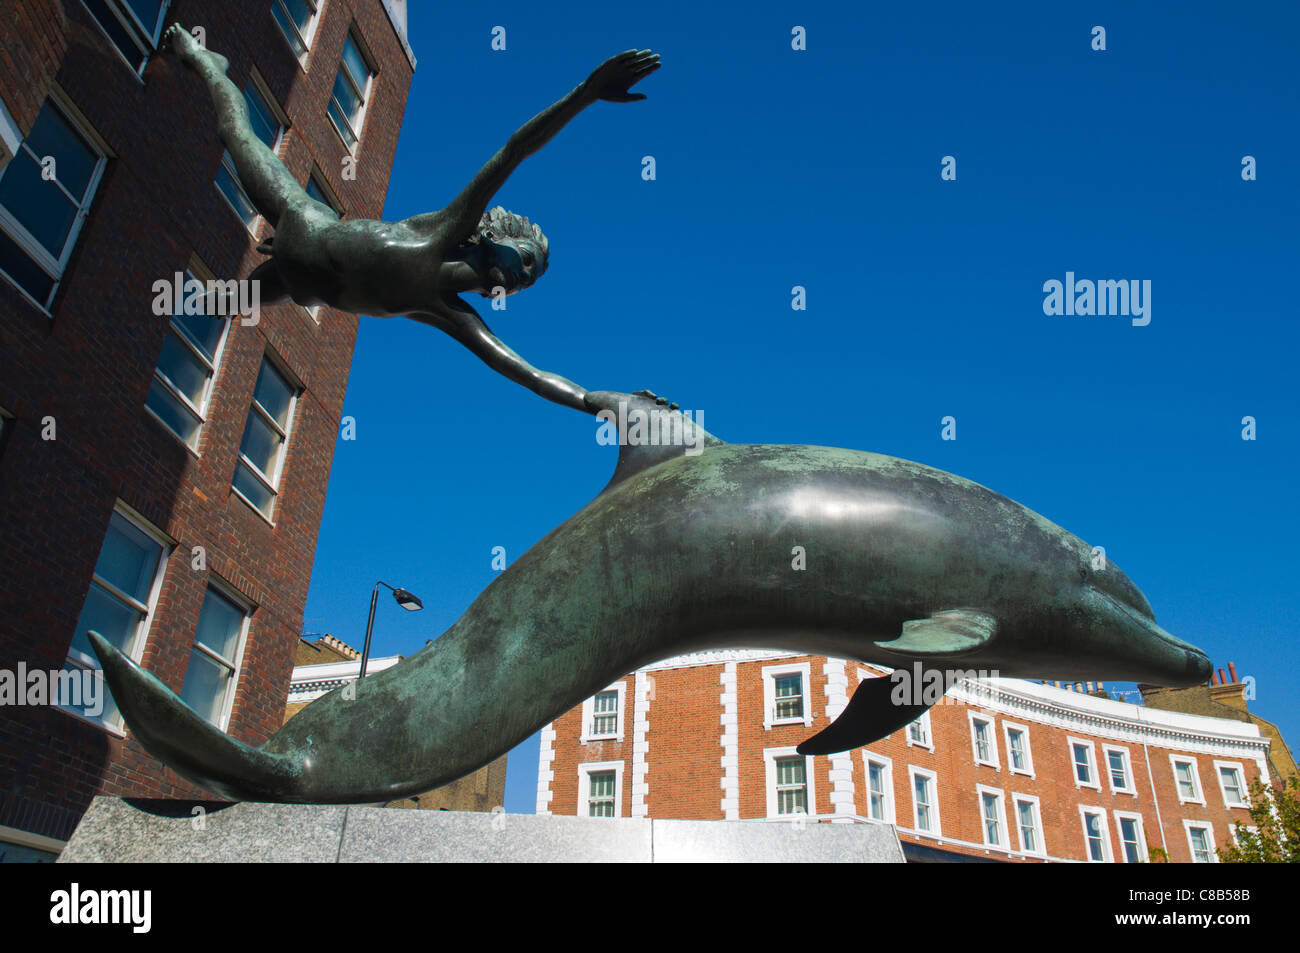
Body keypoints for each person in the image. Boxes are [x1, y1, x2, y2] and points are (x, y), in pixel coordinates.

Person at [164, 23, 661, 414]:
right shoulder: (445, 231)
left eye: (529, 280)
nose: (523, 276)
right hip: (299, 217)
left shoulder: (448, 312)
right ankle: (206, 61)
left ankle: (166, 294)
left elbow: (528, 374)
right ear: (495, 235)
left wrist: (602, 403)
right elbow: (515, 150)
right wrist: (587, 93)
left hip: (294, 278)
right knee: (236, 133)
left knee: (223, 301)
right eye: (526, 260)